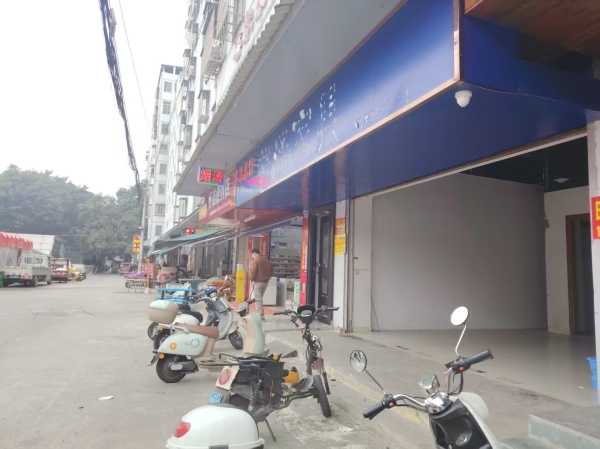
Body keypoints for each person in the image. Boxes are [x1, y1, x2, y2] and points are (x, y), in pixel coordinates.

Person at [248, 248, 274, 321]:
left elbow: (252, 272)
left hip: (258, 282)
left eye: (252, 255)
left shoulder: (255, 261)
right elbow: (272, 271)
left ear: (254, 254)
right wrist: (268, 278)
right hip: (265, 283)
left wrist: (252, 279)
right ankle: (260, 314)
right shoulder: (267, 261)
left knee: (258, 299)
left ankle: (261, 316)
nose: (252, 256)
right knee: (260, 298)